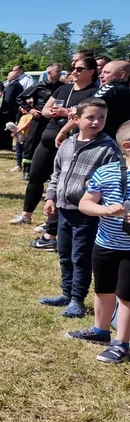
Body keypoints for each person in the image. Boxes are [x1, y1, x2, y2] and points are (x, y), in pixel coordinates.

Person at [40, 99, 119, 319]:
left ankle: (77, 299)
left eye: (101, 118)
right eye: (91, 117)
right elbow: (56, 174)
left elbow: (112, 180)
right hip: (63, 210)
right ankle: (66, 293)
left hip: (86, 213)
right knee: (64, 252)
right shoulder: (67, 144)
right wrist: (50, 197)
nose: (96, 122)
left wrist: (94, 187)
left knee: (80, 256)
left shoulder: (108, 148)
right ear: (76, 119)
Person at [10, 56, 99, 230]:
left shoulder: (93, 92)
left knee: (61, 182)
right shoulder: (63, 89)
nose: (74, 71)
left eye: (79, 69)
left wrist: (67, 113)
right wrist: (53, 112)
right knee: (35, 177)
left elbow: (87, 114)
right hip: (47, 137)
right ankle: (26, 215)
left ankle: (51, 223)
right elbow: (44, 110)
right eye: (74, 68)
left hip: (70, 142)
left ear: (91, 72)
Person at [67, 122, 130, 363]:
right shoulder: (106, 172)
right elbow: (85, 203)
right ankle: (101, 331)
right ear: (127, 146)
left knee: (126, 295)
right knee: (103, 289)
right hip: (105, 243)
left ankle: (122, 343)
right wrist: (104, 210)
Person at [18, 64, 64, 180]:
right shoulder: (39, 85)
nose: (59, 74)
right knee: (32, 143)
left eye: (60, 71)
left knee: (51, 145)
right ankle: (27, 170)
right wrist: (31, 110)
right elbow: (20, 98)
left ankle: (48, 171)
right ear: (49, 73)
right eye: (57, 71)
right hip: (39, 119)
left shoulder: (62, 87)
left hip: (54, 120)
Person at [90, 60, 130, 139]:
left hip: (102, 139)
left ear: (122, 74)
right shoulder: (126, 90)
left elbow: (87, 107)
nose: (100, 76)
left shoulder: (111, 88)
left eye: (106, 72)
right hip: (119, 139)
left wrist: (64, 131)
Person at [0, 69, 23, 154]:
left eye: (8, 76)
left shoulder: (12, 85)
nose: (7, 77)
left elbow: (8, 98)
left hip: (8, 111)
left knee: (5, 127)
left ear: (12, 77)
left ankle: (4, 145)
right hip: (14, 110)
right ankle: (7, 144)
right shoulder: (18, 85)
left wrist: (5, 109)